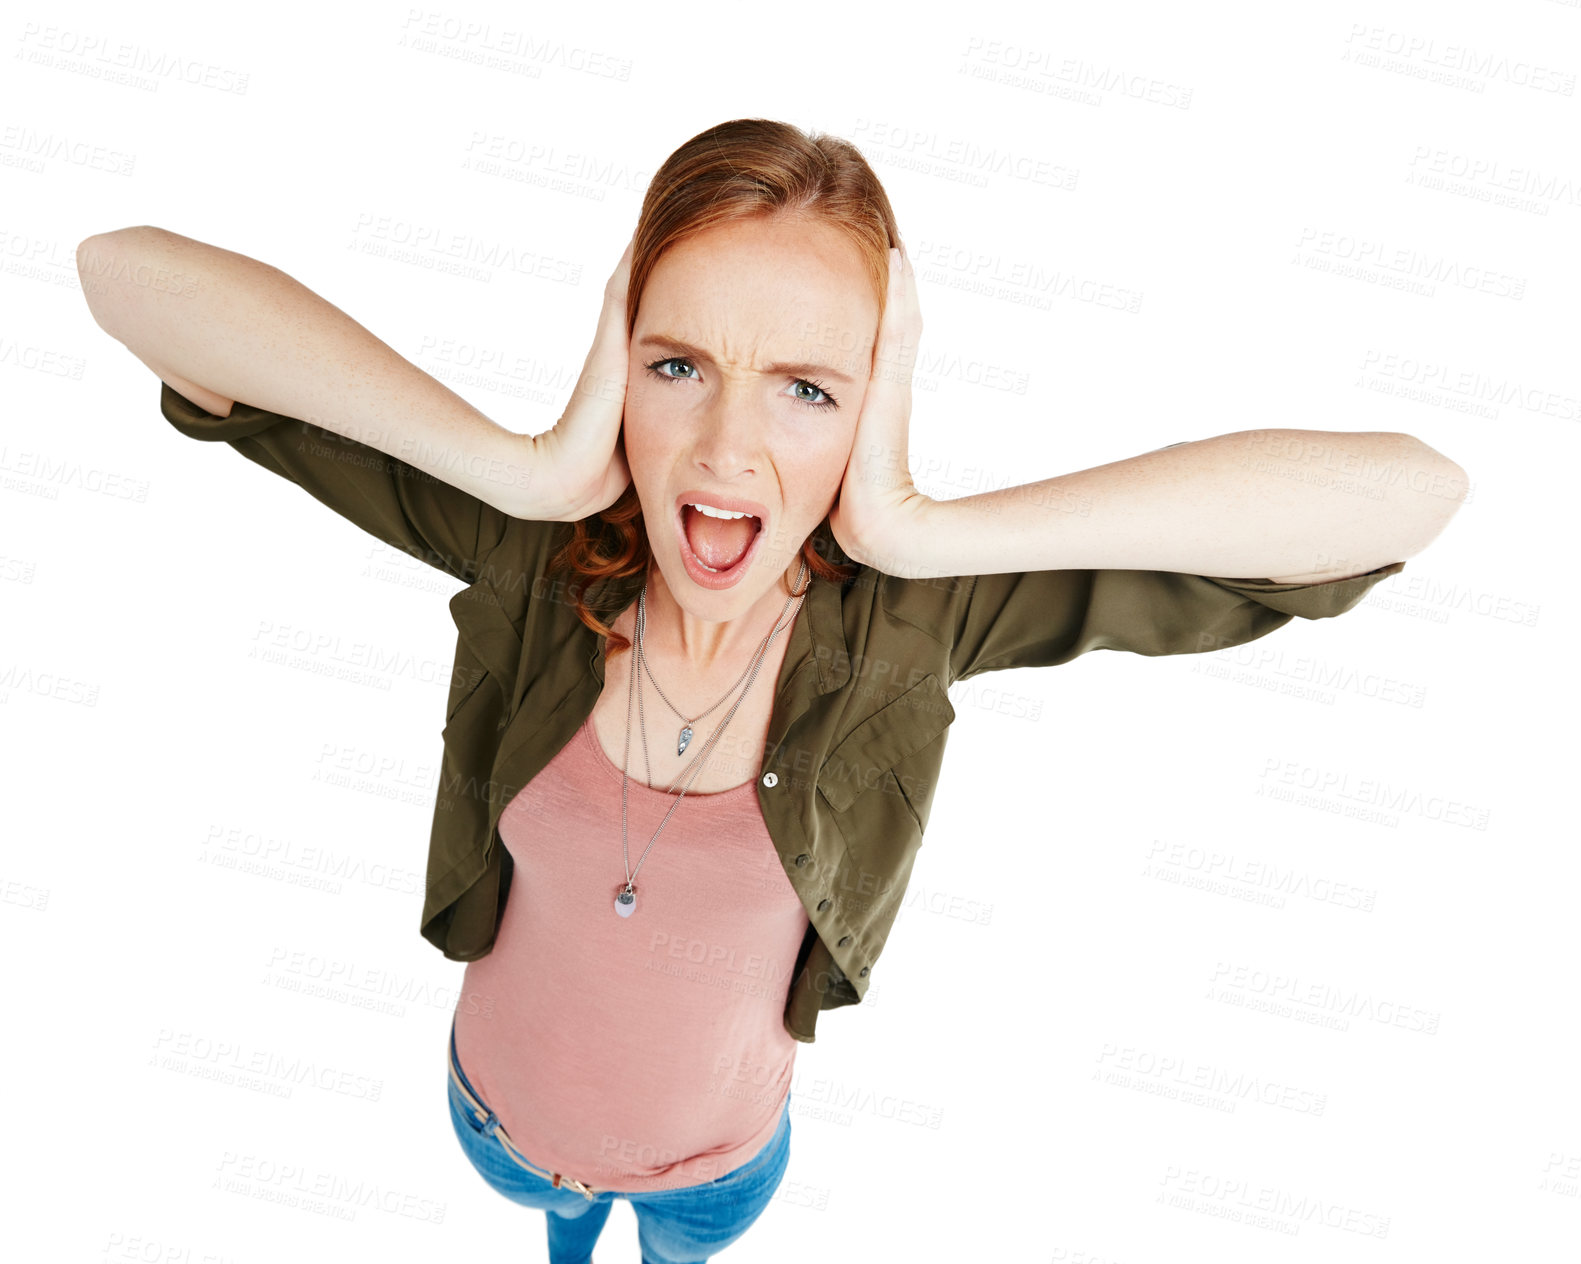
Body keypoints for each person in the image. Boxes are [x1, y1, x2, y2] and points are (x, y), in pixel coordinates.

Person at [77, 118, 1465, 1264]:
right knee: (558, 1230)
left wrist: (925, 527)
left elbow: (1408, 499)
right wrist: (528, 469)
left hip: (721, 1164)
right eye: (677, 365)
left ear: (875, 405)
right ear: (617, 361)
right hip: (494, 1120)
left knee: (671, 1246)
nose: (728, 447)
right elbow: (123, 274)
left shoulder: (915, 621)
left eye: (807, 388)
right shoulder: (532, 551)